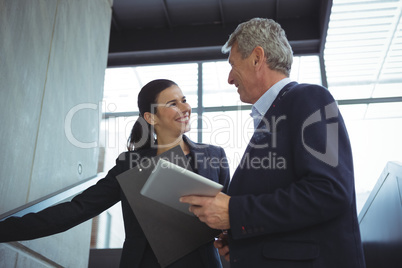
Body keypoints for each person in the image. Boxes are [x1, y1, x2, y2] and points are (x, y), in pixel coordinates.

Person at [180, 18, 366, 267]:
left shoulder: (309, 98)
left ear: (257, 58)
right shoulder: (275, 116)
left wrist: (234, 212)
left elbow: (329, 190)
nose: (229, 78)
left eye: (233, 65)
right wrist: (241, 242)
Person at [0, 79, 230, 268]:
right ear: (151, 117)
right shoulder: (130, 164)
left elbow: (231, 212)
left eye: (184, 100)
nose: (185, 108)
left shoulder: (214, 156)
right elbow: (77, 209)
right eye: (172, 103)